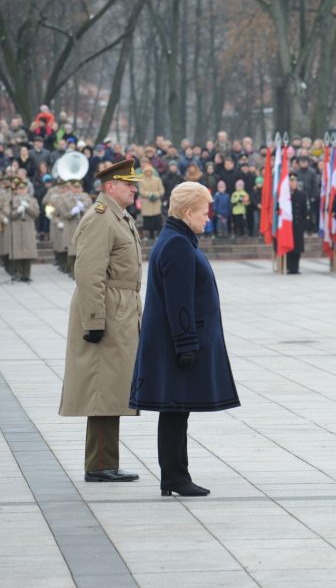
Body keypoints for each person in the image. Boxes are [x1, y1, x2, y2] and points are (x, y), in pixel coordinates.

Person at [129, 182, 240, 497]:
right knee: (175, 409)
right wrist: (187, 343)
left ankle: (176, 475)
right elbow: (179, 302)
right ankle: (175, 477)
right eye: (204, 212)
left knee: (177, 410)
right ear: (188, 212)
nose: (208, 218)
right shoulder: (178, 244)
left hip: (175, 342)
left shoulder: (178, 238)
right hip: (176, 344)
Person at [59, 159, 143, 483]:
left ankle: (104, 461)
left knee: (112, 388)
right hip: (107, 309)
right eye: (128, 184)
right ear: (110, 186)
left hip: (120, 307)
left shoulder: (118, 217)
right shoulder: (101, 219)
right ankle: (99, 464)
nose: (134, 189)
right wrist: (94, 319)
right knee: (103, 387)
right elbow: (89, 272)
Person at [3, 178, 39, 282]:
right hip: (16, 226)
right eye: (20, 189)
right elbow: (8, 213)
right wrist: (18, 211)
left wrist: (27, 207)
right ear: (17, 190)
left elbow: (36, 214)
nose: (22, 191)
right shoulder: (11, 200)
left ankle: (26, 275)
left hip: (28, 226)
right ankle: (19, 274)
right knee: (18, 251)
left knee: (28, 252)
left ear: (27, 190)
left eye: (24, 189)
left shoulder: (32, 200)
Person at [286, 174, 307, 274]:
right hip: (287, 226)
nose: (292, 183)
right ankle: (289, 267)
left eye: (294, 181)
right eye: (290, 181)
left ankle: (296, 267)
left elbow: (304, 211)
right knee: (288, 246)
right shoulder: (284, 195)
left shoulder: (301, 195)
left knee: (297, 247)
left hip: (298, 225)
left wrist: (304, 224)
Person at [138, 164, 165, 241]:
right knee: (148, 220)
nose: (148, 173)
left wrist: (156, 195)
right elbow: (141, 191)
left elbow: (161, 190)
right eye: (146, 171)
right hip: (147, 203)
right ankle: (150, 235)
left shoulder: (157, 180)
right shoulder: (142, 181)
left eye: (149, 171)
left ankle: (158, 234)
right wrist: (149, 195)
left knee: (158, 219)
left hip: (156, 202)